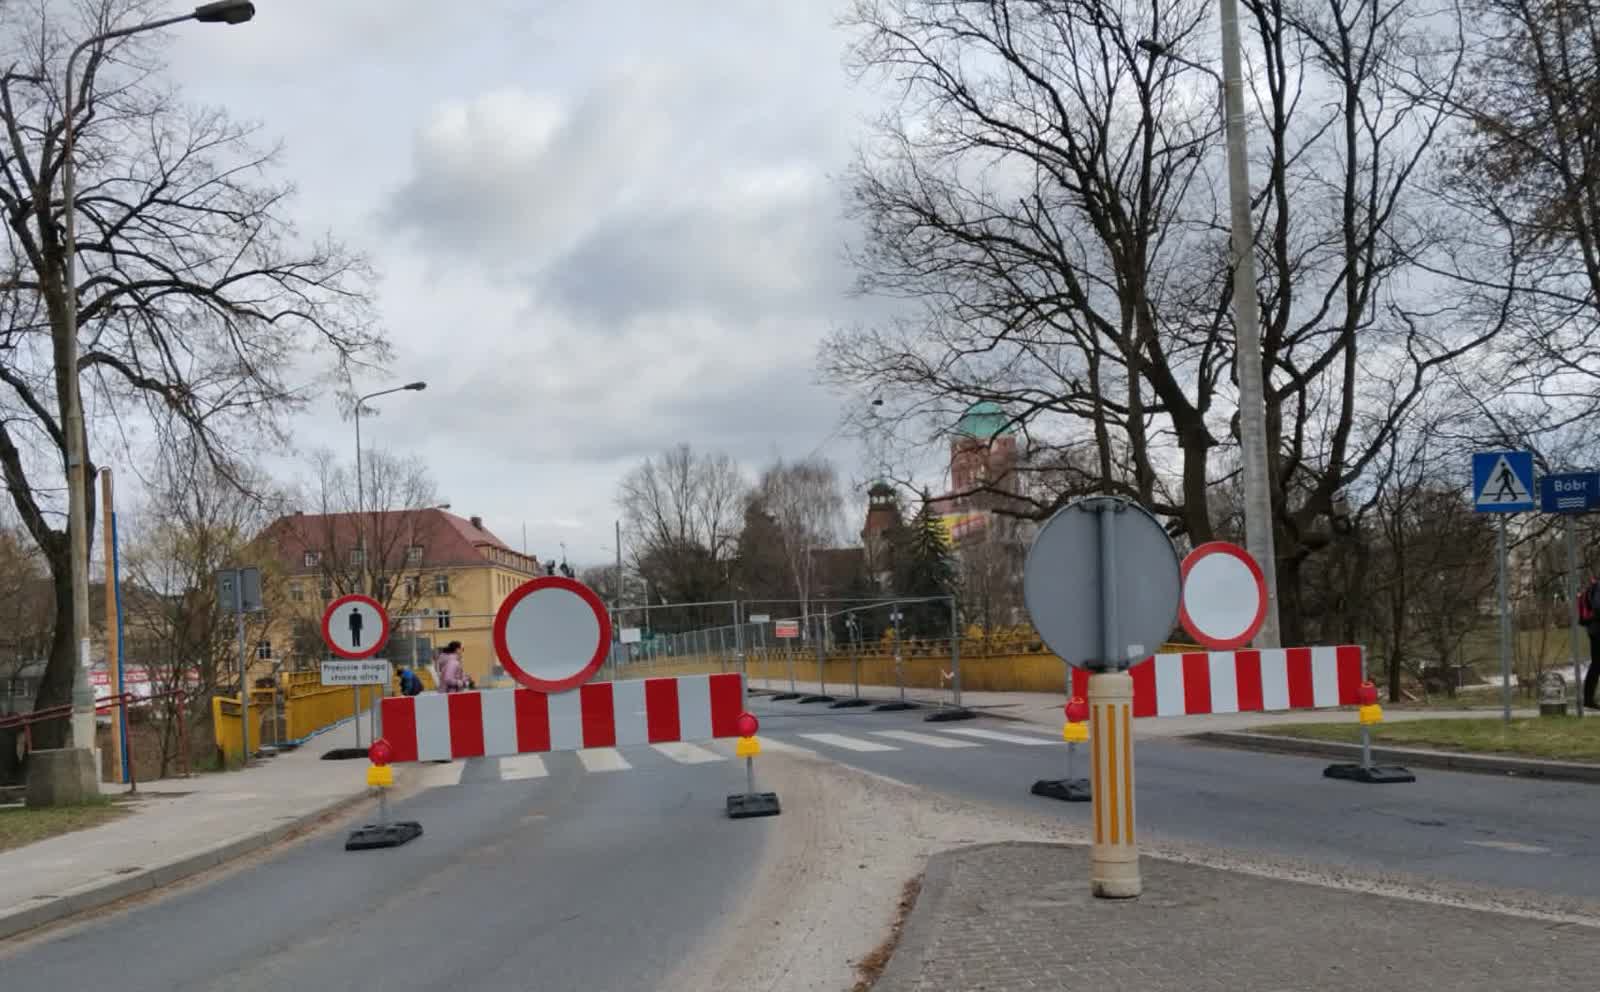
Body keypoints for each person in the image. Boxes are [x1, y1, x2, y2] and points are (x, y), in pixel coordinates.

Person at [1583, 576, 1600, 709]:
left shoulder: (1595, 586)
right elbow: (1598, 606)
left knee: (1596, 665)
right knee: (1596, 665)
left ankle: (1588, 699)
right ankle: (1588, 699)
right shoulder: (1598, 587)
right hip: (1597, 630)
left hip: (1594, 629)